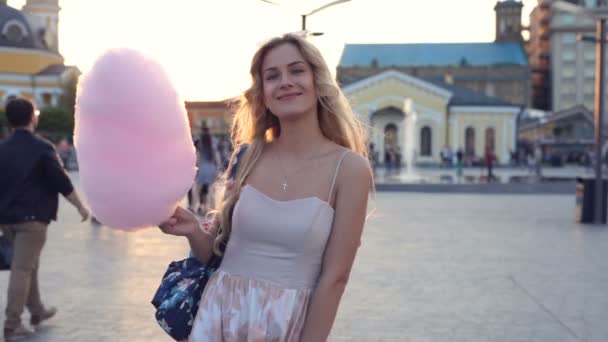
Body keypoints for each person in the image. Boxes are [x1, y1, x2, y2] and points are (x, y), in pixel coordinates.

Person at [158, 32, 372, 341]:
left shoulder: (349, 169)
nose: (285, 81)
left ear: (318, 81)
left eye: (297, 70)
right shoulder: (246, 157)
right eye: (272, 76)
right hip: (218, 317)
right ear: (263, 93)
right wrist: (193, 229)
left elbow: (334, 279)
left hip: (284, 325)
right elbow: (219, 257)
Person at [0, 98, 90, 339]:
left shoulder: (2, 148)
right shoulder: (42, 148)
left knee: (29, 265)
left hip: (7, 219)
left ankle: (37, 309)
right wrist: (80, 207)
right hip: (32, 220)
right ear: (32, 117)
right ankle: (12, 323)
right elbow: (60, 181)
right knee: (22, 268)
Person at [195, 125, 221, 215]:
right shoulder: (213, 141)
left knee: (201, 189)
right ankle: (212, 208)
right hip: (211, 167)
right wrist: (218, 166)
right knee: (210, 189)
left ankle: (202, 206)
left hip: (202, 168)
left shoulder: (199, 142)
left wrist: (197, 167)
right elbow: (216, 155)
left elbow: (197, 157)